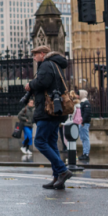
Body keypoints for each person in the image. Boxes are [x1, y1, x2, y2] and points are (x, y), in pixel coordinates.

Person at [25, 46, 72, 190]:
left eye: (35, 55)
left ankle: (62, 171)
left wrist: (30, 85)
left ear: (42, 54)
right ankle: (57, 177)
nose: (34, 58)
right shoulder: (56, 65)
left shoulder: (46, 64)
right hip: (55, 111)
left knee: (39, 141)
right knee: (52, 143)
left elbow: (42, 83)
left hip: (47, 111)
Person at [77, 89, 92, 161]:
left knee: (85, 138)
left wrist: (83, 121)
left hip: (84, 123)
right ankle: (84, 153)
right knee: (83, 138)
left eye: (78, 94)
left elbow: (87, 113)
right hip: (82, 123)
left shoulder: (86, 103)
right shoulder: (83, 102)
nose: (77, 96)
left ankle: (86, 154)